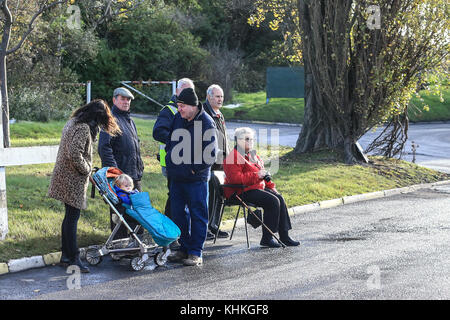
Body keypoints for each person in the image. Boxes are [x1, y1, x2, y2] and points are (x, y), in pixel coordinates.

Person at [48, 99, 121, 273]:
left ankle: (66, 256)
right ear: (97, 116)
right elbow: (75, 153)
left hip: (64, 175)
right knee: (73, 218)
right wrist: (87, 169)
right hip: (73, 178)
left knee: (69, 217)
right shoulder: (83, 128)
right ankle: (74, 259)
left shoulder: (74, 121)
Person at [223, 127, 300, 248]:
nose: (251, 141)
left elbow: (263, 174)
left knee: (279, 197)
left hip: (256, 187)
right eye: (247, 139)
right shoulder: (232, 157)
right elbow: (236, 179)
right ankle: (267, 239)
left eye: (252, 139)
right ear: (238, 140)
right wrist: (256, 175)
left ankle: (284, 236)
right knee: (272, 201)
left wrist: (271, 186)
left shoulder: (253, 155)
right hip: (240, 191)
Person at [165, 87, 217, 266]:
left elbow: (210, 154)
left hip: (197, 179)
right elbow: (170, 141)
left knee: (198, 215)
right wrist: (169, 158)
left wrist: (194, 169)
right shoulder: (178, 118)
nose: (179, 109)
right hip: (177, 177)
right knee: (178, 214)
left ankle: (196, 252)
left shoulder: (207, 122)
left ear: (193, 106)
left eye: (181, 106)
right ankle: (184, 248)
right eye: (178, 105)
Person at [98, 87, 144, 239]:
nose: (126, 102)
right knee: (119, 215)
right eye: (122, 98)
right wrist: (116, 174)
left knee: (135, 213)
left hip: (134, 176)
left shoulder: (129, 120)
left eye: (128, 99)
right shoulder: (110, 120)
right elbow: (104, 148)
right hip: (120, 178)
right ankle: (118, 247)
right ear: (114, 100)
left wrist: (140, 167)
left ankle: (135, 245)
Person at [153, 78, 195, 220]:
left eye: (191, 91)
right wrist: (178, 141)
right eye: (184, 90)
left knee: (183, 197)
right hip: (172, 162)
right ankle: (169, 234)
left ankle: (179, 232)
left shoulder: (192, 110)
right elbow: (158, 132)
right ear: (177, 91)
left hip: (188, 163)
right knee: (175, 197)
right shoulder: (169, 110)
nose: (188, 94)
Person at [203, 84, 230, 240]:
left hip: (221, 162)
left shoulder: (220, 114)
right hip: (210, 164)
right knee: (211, 195)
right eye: (217, 96)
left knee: (220, 194)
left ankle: (215, 225)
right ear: (209, 97)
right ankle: (207, 227)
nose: (220, 100)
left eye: (221, 97)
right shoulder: (205, 113)